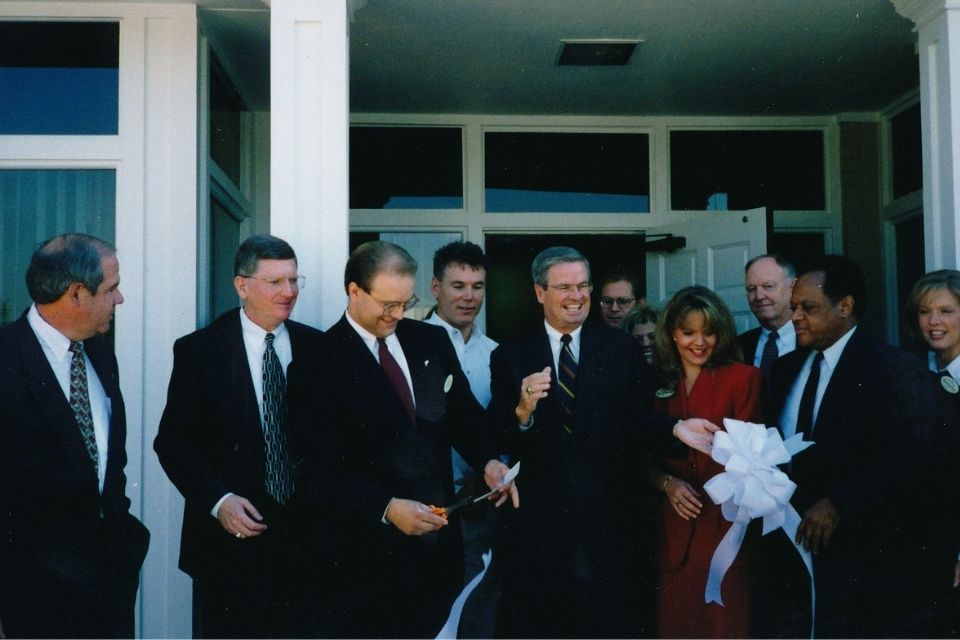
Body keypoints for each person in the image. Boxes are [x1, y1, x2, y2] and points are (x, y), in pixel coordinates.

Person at [286, 240, 518, 639]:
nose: (397, 314)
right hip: (361, 559)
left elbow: (463, 419)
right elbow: (317, 466)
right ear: (354, 291)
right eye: (387, 304)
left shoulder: (428, 341)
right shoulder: (316, 360)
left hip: (436, 552)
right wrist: (387, 507)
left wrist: (488, 461)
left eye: (405, 302)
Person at [488, 246, 719, 638]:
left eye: (583, 286)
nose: (577, 296)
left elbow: (637, 423)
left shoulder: (620, 349)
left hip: (608, 520)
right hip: (539, 526)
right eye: (564, 287)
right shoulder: (510, 353)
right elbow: (500, 435)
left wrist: (676, 429)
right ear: (539, 292)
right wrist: (523, 411)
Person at [759, 255, 949, 637]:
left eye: (807, 308)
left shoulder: (894, 369)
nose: (795, 316)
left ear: (844, 307)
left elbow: (916, 456)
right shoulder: (786, 368)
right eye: (794, 307)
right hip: (791, 554)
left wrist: (839, 502)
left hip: (863, 561)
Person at [153, 234, 324, 638]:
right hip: (229, 547)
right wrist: (218, 500)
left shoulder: (319, 349)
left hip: (309, 544)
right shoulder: (200, 351)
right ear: (242, 285)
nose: (289, 292)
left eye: (294, 280)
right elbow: (173, 442)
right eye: (275, 282)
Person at [0, 233, 149, 637]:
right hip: (35, 596)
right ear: (77, 294)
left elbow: (104, 464)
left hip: (109, 583)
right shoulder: (7, 362)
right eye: (112, 289)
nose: (120, 299)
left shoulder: (98, 352)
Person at [649, 285, 762, 638]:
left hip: (724, 530)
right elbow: (637, 454)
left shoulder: (743, 378)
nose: (699, 342)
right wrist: (666, 485)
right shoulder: (655, 383)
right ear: (671, 333)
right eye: (688, 332)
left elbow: (753, 459)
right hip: (674, 528)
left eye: (709, 332)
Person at [425, 240, 501, 638]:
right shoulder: (412, 345)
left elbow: (502, 427)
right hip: (427, 505)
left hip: (481, 506)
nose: (469, 297)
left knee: (477, 608)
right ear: (435, 287)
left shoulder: (497, 354)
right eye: (458, 285)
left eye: (477, 286)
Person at [905, 269, 960, 635]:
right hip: (925, 539)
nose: (934, 322)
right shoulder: (914, 375)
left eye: (946, 311)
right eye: (925, 312)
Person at [738, 254, 798, 387]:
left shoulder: (814, 343)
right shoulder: (738, 346)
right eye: (752, 289)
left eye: (768, 286)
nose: (759, 296)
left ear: (793, 286)